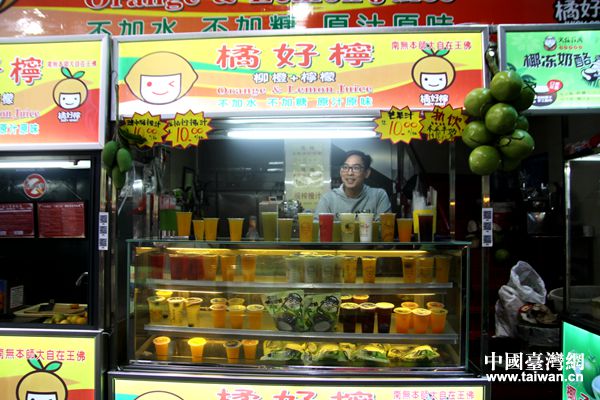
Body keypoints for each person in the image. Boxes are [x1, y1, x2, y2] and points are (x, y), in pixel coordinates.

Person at [314, 150, 392, 216]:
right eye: (345, 167)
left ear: (367, 173)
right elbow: (319, 227)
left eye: (356, 168)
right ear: (340, 171)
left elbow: (385, 227)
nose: (350, 173)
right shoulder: (328, 199)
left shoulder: (378, 196)